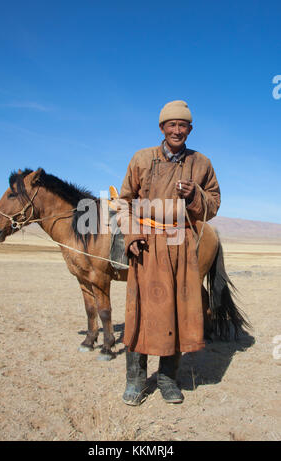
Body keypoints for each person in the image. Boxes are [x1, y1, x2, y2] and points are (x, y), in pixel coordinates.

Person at [118, 100, 221, 405]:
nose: (177, 130)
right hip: (147, 247)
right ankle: (135, 380)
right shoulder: (141, 158)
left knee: (176, 312)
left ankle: (167, 379)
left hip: (182, 245)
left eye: (183, 125)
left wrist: (196, 196)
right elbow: (124, 201)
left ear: (190, 129)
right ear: (162, 128)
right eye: (171, 125)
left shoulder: (201, 163)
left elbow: (214, 204)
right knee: (139, 314)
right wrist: (133, 234)